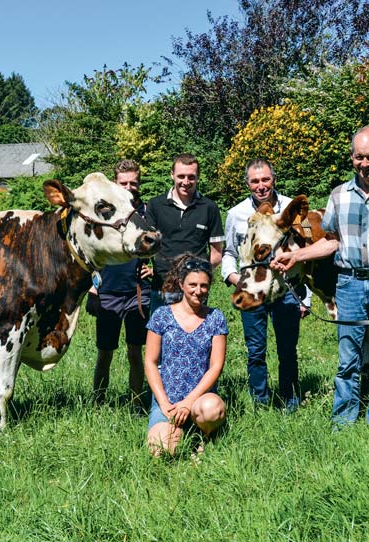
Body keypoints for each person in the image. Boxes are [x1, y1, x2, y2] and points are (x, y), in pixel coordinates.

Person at [272, 126, 369, 426]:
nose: (365, 164)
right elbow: (332, 241)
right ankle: (343, 425)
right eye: (359, 157)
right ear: (351, 157)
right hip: (349, 285)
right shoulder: (339, 195)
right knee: (348, 361)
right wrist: (296, 255)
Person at [222, 158, 309, 412]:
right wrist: (235, 278)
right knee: (256, 350)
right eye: (255, 181)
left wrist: (307, 298)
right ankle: (260, 402)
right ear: (247, 183)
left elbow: (307, 251)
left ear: (274, 179)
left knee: (287, 349)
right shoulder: (236, 214)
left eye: (265, 179)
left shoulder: (294, 212)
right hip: (252, 291)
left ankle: (290, 400)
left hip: (287, 291)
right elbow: (228, 252)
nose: (261, 186)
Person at [144, 254, 228, 457]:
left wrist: (189, 402)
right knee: (161, 452)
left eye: (204, 286)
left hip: (200, 399)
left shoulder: (215, 317)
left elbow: (216, 366)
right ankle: (176, 430)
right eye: (192, 285)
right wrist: (164, 403)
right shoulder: (161, 315)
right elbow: (150, 361)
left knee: (211, 409)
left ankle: (204, 438)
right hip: (168, 401)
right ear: (181, 284)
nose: (198, 291)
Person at [85, 159, 153, 409]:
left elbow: (157, 245)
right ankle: (98, 404)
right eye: (123, 182)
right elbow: (91, 251)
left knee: (136, 353)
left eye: (133, 182)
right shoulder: (104, 212)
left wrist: (154, 268)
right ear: (115, 183)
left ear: (139, 183)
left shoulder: (147, 212)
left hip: (138, 294)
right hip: (108, 292)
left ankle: (136, 404)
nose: (129, 186)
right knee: (104, 354)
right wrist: (93, 286)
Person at [146, 154, 224, 311]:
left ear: (198, 177)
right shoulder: (155, 205)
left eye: (191, 177)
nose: (186, 182)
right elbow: (148, 245)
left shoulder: (209, 208)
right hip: (162, 287)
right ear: (172, 174)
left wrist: (199, 277)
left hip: (195, 291)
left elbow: (216, 254)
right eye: (181, 176)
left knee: (193, 334)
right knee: (160, 334)